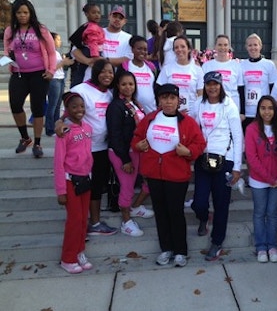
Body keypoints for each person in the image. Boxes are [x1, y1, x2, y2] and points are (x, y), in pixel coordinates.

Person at [131, 83, 206, 267]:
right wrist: (137, 146)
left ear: (178, 100)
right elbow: (136, 137)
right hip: (154, 175)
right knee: (161, 213)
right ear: (159, 100)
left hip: (177, 176)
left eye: (172, 98)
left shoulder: (187, 122)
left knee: (176, 213)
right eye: (164, 98)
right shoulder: (149, 119)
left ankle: (181, 251)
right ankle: (166, 249)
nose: (168, 101)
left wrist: (188, 152)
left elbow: (200, 143)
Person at [57, 59, 118, 236]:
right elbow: (67, 110)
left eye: (111, 72)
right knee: (81, 187)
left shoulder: (110, 93)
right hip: (83, 148)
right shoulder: (81, 90)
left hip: (102, 147)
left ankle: (95, 222)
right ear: (96, 72)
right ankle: (79, 224)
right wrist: (59, 122)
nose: (108, 75)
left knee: (97, 185)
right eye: (104, 71)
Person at [191, 71, 243, 261]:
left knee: (221, 204)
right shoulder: (198, 105)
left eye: (216, 84)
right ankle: (203, 217)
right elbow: (192, 130)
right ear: (204, 86)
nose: (212, 88)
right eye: (209, 84)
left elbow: (238, 136)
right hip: (203, 159)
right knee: (199, 202)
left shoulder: (229, 106)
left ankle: (217, 241)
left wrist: (237, 166)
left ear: (221, 86)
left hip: (225, 159)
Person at [3, 0, 57, 158]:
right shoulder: (10, 31)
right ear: (14, 14)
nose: (22, 15)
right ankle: (25, 138)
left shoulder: (41, 30)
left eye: (25, 12)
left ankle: (38, 143)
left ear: (31, 13)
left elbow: (52, 52)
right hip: (19, 73)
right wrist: (8, 57)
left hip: (39, 74)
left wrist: (51, 70)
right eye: (19, 12)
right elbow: (7, 50)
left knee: (37, 108)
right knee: (15, 104)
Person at [106, 70, 154, 237]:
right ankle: (126, 222)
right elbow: (115, 134)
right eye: (124, 84)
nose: (128, 87)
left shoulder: (136, 103)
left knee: (148, 180)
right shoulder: (115, 107)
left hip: (139, 150)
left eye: (131, 84)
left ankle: (135, 207)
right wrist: (125, 159)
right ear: (118, 86)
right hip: (123, 153)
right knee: (127, 187)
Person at [54, 92, 93, 274]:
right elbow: (58, 162)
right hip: (70, 181)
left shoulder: (87, 128)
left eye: (82, 106)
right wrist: (61, 190)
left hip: (85, 178)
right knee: (74, 220)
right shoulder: (64, 132)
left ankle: (79, 252)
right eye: (75, 107)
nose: (79, 110)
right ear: (67, 110)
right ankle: (67, 258)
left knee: (84, 219)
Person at [245, 96, 277, 263]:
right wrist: (268, 178)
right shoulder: (252, 128)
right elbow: (251, 158)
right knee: (260, 213)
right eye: (263, 108)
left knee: (273, 213)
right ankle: (261, 247)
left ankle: (272, 246)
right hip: (259, 180)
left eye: (270, 108)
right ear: (258, 110)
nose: (267, 111)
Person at [71, 5, 133, 85]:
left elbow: (128, 58)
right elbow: (75, 50)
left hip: (115, 81)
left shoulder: (129, 38)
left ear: (125, 21)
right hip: (91, 78)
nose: (117, 19)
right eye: (114, 16)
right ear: (109, 16)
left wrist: (104, 61)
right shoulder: (95, 31)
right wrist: (88, 61)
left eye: (120, 18)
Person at [240, 33, 277, 130]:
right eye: (250, 45)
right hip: (248, 112)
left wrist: (271, 109)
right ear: (246, 47)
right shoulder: (241, 65)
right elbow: (240, 89)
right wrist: (242, 111)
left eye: (255, 45)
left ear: (260, 46)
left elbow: (273, 89)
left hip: (263, 112)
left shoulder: (269, 64)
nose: (253, 48)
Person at [156, 35, 203, 114]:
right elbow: (160, 91)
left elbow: (200, 95)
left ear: (189, 49)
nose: (179, 50)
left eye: (183, 46)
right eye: (176, 47)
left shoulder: (198, 70)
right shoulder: (167, 69)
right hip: (171, 113)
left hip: (191, 114)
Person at [202, 34, 244, 113]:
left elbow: (241, 90)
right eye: (220, 45)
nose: (222, 48)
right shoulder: (207, 66)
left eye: (225, 45)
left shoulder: (236, 65)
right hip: (212, 107)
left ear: (229, 47)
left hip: (232, 107)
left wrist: (242, 112)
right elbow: (202, 89)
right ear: (215, 47)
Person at [45, 32, 74, 137]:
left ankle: (57, 126)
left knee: (57, 105)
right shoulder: (48, 52)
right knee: (52, 105)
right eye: (58, 39)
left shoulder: (56, 52)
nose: (60, 41)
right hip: (54, 80)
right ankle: (49, 129)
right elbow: (50, 68)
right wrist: (62, 63)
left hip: (60, 78)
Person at [68, 3, 105, 84]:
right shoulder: (92, 28)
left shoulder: (88, 25)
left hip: (88, 51)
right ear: (86, 14)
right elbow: (93, 42)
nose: (97, 15)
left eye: (98, 12)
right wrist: (95, 56)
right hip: (89, 51)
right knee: (82, 71)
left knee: (81, 71)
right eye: (93, 12)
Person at [122, 35, 157, 113]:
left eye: (145, 49)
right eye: (139, 49)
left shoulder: (151, 67)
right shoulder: (125, 66)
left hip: (151, 110)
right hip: (132, 111)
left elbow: (155, 87)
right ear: (132, 49)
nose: (142, 52)